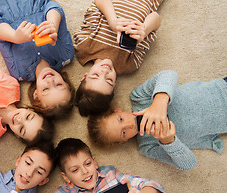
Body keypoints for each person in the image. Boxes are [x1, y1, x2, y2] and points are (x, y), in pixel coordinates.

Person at [87, 70, 227, 170]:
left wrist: (159, 104)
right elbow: (188, 164)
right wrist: (168, 141)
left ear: (118, 111)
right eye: (123, 133)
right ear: (123, 141)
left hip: (221, 89)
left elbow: (169, 74)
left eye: (121, 119)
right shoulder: (148, 146)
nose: (129, 125)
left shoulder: (138, 97)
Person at [0, 0, 75, 118]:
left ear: (36, 95)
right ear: (67, 84)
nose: (50, 81)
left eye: (46, 89)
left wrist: (15, 37)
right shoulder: (66, 54)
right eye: (58, 85)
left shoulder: (18, 73)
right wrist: (52, 24)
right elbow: (53, 6)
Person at [73, 0, 162, 116]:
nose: (105, 71)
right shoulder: (130, 64)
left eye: (95, 75)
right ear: (114, 86)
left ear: (84, 76)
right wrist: (144, 30)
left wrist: (113, 21)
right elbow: (156, 18)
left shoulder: (84, 47)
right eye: (109, 80)